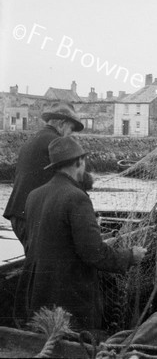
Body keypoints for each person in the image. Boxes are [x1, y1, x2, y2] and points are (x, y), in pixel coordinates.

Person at [20, 136, 147, 331]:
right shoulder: (76, 197)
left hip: (37, 300)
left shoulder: (33, 196)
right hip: (69, 305)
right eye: (84, 162)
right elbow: (94, 252)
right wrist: (130, 256)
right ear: (79, 161)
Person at [3, 101, 84, 253]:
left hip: (18, 213)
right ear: (62, 123)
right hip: (32, 216)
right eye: (71, 129)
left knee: (36, 258)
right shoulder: (56, 142)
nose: (71, 135)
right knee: (46, 261)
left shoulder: (33, 140)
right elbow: (75, 176)